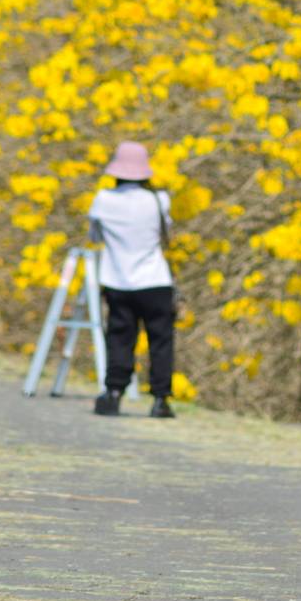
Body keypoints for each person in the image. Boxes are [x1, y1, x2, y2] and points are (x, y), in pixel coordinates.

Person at [87, 140, 178, 419]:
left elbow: (94, 237)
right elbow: (169, 236)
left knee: (120, 338)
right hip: (155, 280)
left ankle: (114, 393)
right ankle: (161, 399)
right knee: (160, 340)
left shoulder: (103, 199)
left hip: (118, 280)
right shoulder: (158, 199)